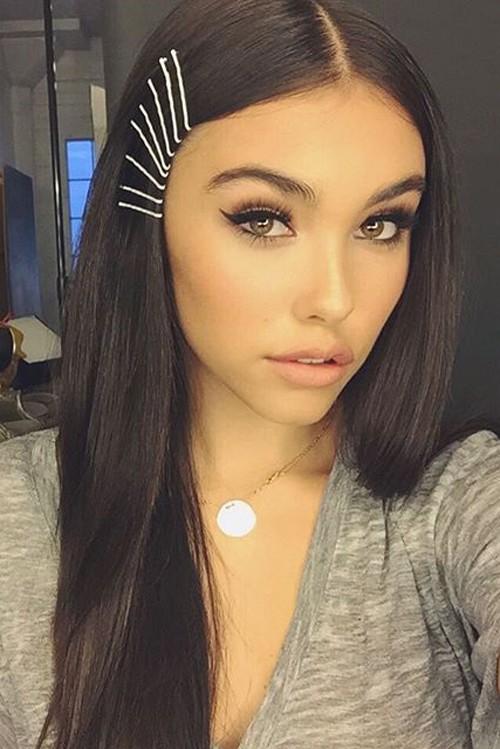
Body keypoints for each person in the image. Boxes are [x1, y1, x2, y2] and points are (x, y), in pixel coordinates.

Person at [0, 0, 499, 747]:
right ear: (149, 217)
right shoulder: (18, 515)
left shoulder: (456, 501)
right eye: (263, 218)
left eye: (381, 224)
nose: (336, 299)